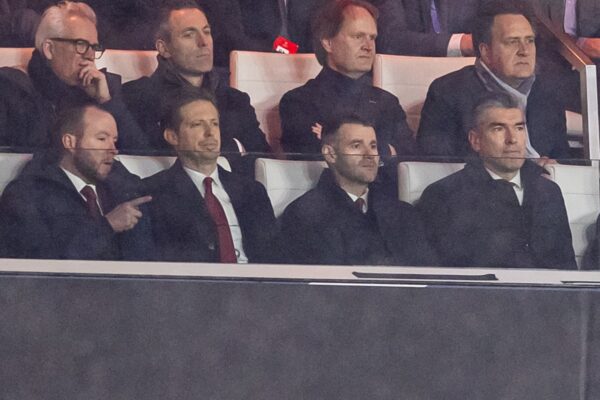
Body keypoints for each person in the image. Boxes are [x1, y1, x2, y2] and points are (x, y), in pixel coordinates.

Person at [417, 93, 576, 269]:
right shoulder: (443, 195)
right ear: (476, 141)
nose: (512, 139)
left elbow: (567, 267)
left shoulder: (548, 191)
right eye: (498, 129)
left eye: (519, 128)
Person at [122, 0, 270, 168]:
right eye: (189, 34)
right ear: (164, 48)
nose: (203, 42)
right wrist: (233, 147)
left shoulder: (236, 101)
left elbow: (262, 161)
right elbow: (149, 161)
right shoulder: (137, 97)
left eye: (206, 32)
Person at [417, 0, 570, 161]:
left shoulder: (548, 91)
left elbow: (563, 158)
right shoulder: (447, 92)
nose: (524, 51)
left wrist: (554, 167)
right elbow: (437, 167)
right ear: (485, 51)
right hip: (478, 185)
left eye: (529, 41)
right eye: (512, 42)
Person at [0, 103, 153, 260]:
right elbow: (37, 260)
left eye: (114, 140)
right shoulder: (26, 194)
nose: (113, 149)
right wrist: (107, 225)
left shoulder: (121, 189)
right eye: (102, 138)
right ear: (70, 142)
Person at [143, 88, 279, 263]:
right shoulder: (154, 193)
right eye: (197, 124)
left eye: (214, 123)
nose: (210, 132)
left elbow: (274, 256)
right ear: (172, 136)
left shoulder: (252, 191)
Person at [280, 116, 437, 266]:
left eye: (373, 146)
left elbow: (429, 278)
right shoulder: (303, 215)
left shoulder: (404, 214)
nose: (370, 155)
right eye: (356, 145)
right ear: (330, 154)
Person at [0, 0, 147, 151]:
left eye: (94, 47)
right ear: (49, 49)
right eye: (81, 45)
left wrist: (106, 102)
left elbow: (139, 156)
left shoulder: (103, 88)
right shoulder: (11, 89)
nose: (90, 55)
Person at [279, 0, 415, 157]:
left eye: (372, 37)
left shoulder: (388, 103)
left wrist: (339, 142)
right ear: (328, 43)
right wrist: (387, 150)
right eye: (358, 36)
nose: (368, 46)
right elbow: (311, 157)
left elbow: (410, 158)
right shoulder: (299, 103)